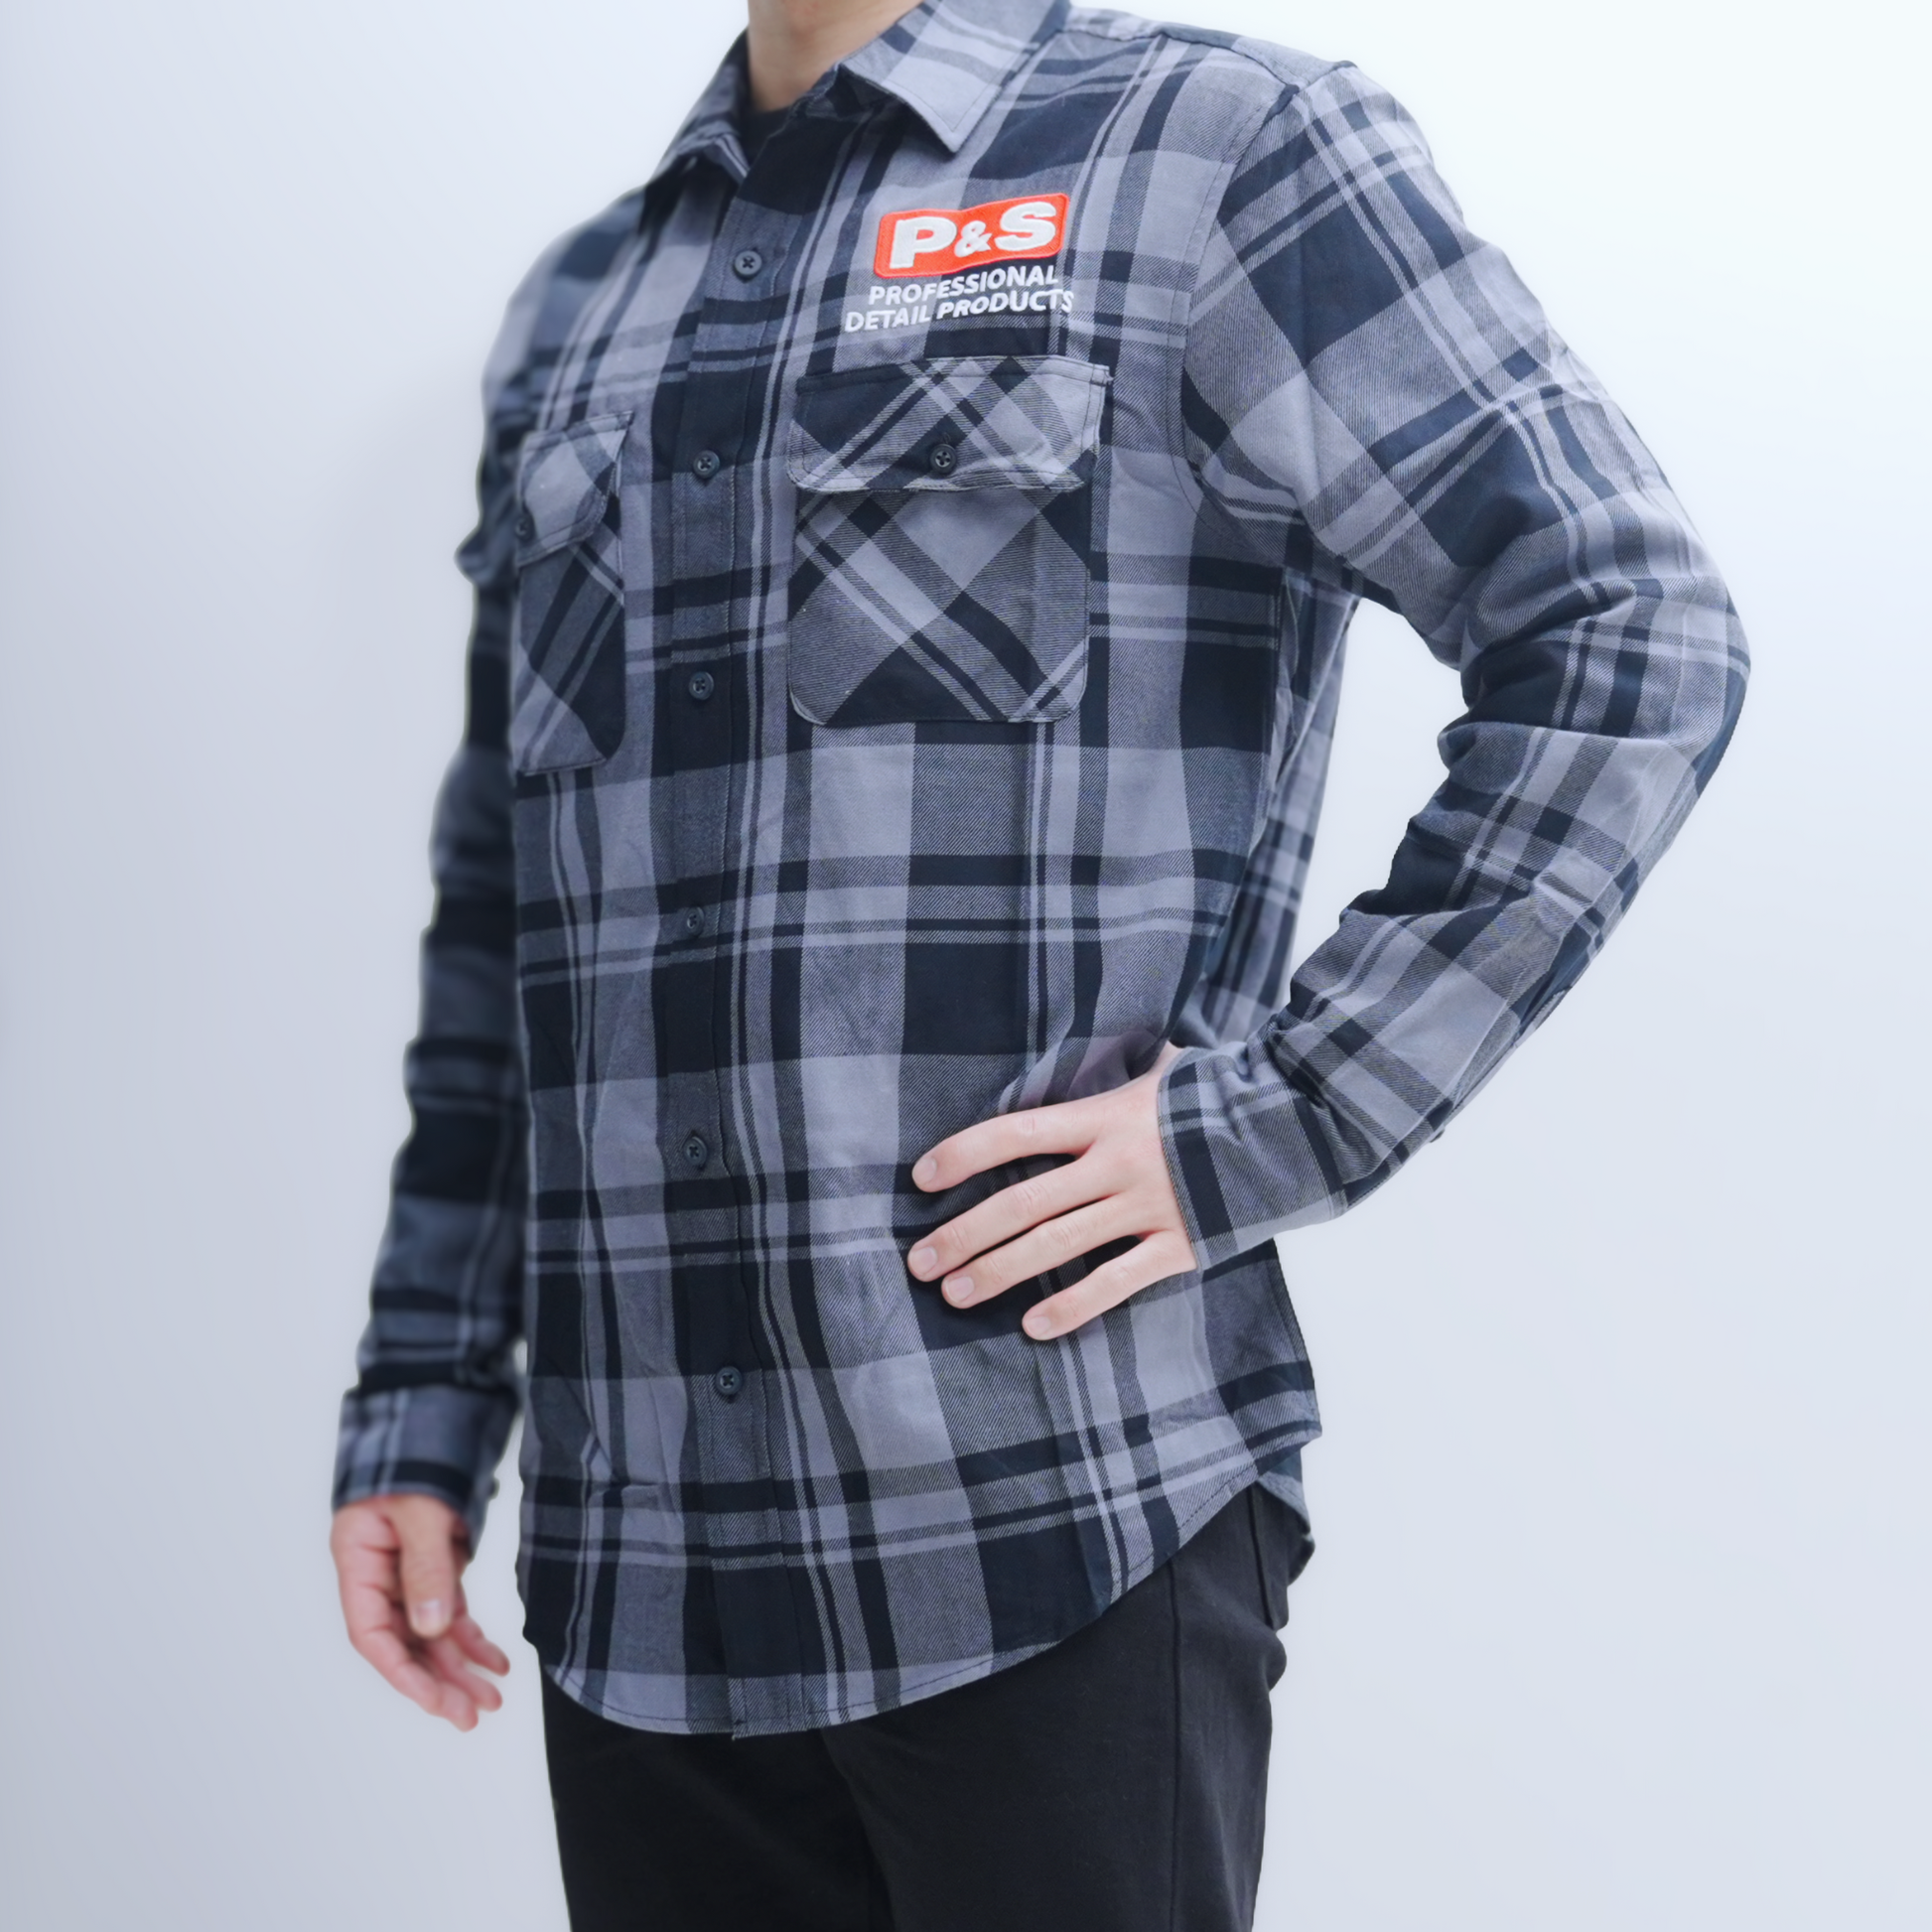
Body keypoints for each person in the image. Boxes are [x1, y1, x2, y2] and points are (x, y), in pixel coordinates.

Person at [330, 1, 1747, 1925]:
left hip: (1045, 1513)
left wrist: (1272, 1120)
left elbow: (1628, 627)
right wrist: (424, 1394)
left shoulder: (1214, 151)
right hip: (639, 1580)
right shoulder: (585, 299)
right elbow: (508, 899)